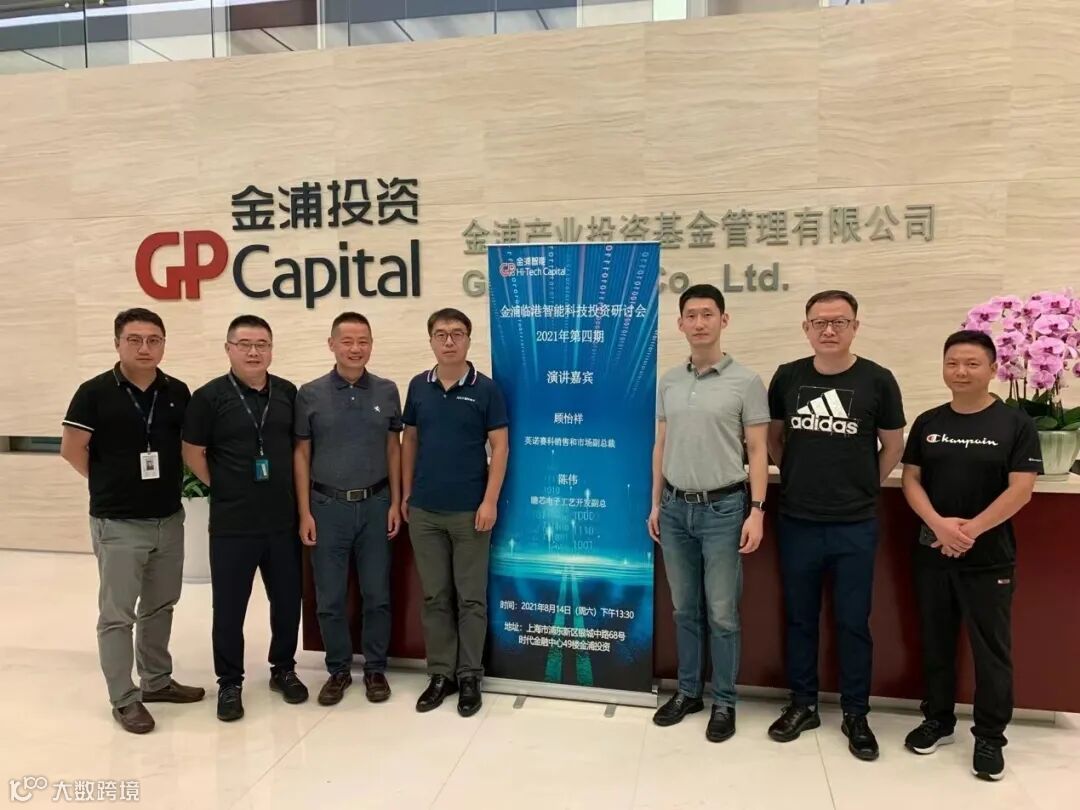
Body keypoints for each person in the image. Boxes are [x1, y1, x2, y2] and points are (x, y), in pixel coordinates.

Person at [766, 290, 905, 761]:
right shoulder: (788, 376)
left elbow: (893, 445)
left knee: (852, 622)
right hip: (797, 520)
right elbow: (775, 439)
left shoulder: (878, 379)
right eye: (819, 322)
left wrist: (864, 485)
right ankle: (802, 705)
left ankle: (855, 713)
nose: (829, 330)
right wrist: (796, 477)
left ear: (855, 326)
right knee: (800, 618)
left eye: (839, 321)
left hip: (855, 524)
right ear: (806, 327)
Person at [900, 330, 1041, 782]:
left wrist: (970, 531)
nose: (960, 372)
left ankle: (990, 737)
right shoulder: (929, 421)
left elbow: (1021, 489)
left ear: (993, 369)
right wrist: (940, 526)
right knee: (936, 642)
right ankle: (938, 720)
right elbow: (911, 479)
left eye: (972, 364)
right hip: (933, 552)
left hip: (990, 557)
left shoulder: (1015, 424)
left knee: (991, 651)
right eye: (952, 363)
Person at [60, 308, 204, 734]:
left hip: (168, 518)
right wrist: (109, 483)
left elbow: (187, 448)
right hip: (118, 522)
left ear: (163, 344)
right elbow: (72, 449)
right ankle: (124, 698)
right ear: (117, 343)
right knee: (118, 615)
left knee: (160, 604)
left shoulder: (176, 391)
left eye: (154, 340)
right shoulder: (94, 392)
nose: (145, 348)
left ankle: (156, 681)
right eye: (135, 339)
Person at [647, 284, 770, 743]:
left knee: (722, 612)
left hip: (724, 509)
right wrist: (655, 503)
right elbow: (661, 444)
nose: (699, 323)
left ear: (724, 320)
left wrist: (757, 510)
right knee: (684, 609)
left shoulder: (747, 382)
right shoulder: (669, 381)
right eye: (691, 315)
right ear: (680, 323)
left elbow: (757, 450)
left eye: (708, 314)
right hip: (674, 509)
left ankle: (725, 701)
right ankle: (688, 692)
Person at [182, 315, 307, 722]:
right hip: (233, 524)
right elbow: (192, 452)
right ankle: (229, 682)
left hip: (282, 521)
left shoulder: (287, 392)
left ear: (271, 349)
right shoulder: (208, 397)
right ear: (229, 349)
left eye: (262, 344)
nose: (254, 352)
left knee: (287, 601)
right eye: (245, 344)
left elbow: (298, 450)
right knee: (229, 608)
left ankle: (283, 669)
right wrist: (223, 485)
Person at [402, 308, 509, 717]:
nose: (449, 341)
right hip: (425, 512)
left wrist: (490, 501)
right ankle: (440, 675)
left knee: (471, 599)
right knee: (435, 597)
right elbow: (410, 441)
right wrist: (407, 494)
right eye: (441, 334)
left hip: (470, 513)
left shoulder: (486, 390)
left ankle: (469, 677)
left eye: (457, 333)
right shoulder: (418, 386)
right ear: (430, 339)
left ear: (468, 339)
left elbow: (500, 446)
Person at [294, 312, 403, 706]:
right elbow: (301, 453)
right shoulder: (310, 393)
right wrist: (305, 512)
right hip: (327, 508)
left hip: (376, 505)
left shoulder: (388, 391)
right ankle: (338, 670)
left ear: (371, 345)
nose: (356, 349)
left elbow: (394, 449)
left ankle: (375, 668)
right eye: (348, 341)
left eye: (363, 341)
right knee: (330, 598)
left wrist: (395, 500)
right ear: (332, 345)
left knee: (377, 594)